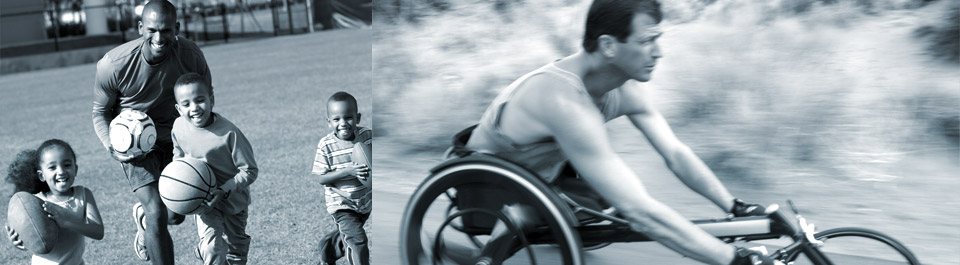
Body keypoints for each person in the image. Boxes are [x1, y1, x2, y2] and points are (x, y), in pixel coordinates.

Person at [462, 0, 774, 264]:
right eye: (646, 41)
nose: (658, 53)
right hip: (486, 188)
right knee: (622, 209)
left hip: (544, 178)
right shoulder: (564, 100)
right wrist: (733, 258)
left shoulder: (623, 89)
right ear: (609, 45)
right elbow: (640, 212)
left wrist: (735, 207)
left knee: (607, 211)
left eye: (658, 38)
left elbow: (676, 154)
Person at [90, 0, 210, 263]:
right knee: (156, 211)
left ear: (176, 28)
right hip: (135, 146)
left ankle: (143, 221)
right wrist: (112, 145)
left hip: (175, 138)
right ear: (140, 27)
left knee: (177, 211)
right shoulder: (113, 64)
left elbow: (206, 99)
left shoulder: (191, 56)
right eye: (152, 29)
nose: (159, 37)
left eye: (166, 30)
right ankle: (150, 218)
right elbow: (100, 113)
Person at [170, 73, 258, 265]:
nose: (194, 108)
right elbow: (178, 157)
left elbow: (249, 171)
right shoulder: (178, 127)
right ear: (178, 108)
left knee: (236, 251)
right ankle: (207, 250)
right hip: (203, 201)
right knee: (212, 247)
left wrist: (224, 190)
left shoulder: (229, 133)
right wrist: (177, 183)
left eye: (200, 100)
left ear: (211, 100)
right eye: (186, 104)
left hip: (234, 201)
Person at [5, 139, 105, 264]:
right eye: (52, 167)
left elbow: (98, 231)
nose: (61, 171)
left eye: (67, 165)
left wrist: (67, 221)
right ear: (42, 175)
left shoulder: (83, 195)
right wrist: (18, 241)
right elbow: (37, 239)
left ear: (76, 169)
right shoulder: (36, 202)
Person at [312, 91, 372, 265]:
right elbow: (320, 178)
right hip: (341, 204)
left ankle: (329, 248)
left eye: (348, 117)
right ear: (329, 122)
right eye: (336, 119)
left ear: (358, 117)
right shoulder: (326, 145)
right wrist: (348, 171)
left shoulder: (368, 136)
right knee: (358, 241)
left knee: (350, 234)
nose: (343, 123)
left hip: (364, 201)